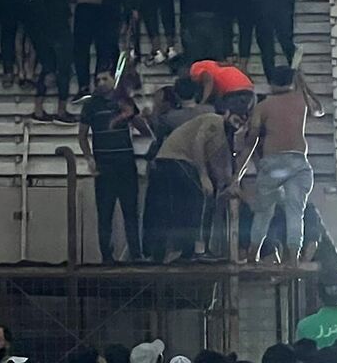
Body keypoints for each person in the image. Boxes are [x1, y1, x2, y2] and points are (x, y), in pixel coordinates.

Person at [236, 65, 312, 262]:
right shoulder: (301, 100)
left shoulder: (263, 106)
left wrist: (237, 175)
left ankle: (254, 254)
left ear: (270, 82)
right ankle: (294, 257)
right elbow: (319, 110)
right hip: (297, 160)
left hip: (272, 162)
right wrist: (303, 86)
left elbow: (251, 141)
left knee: (263, 212)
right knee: (295, 211)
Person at [143, 106, 235, 261]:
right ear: (227, 113)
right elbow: (198, 144)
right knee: (201, 198)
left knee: (177, 208)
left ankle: (178, 251)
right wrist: (203, 176)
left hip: (168, 161)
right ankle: (198, 250)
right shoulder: (214, 121)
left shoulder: (222, 135)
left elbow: (220, 165)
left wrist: (227, 184)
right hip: (177, 159)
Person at [79, 72, 144, 262]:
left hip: (125, 163)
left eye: (104, 79)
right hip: (104, 165)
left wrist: (133, 113)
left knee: (130, 211)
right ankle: (106, 257)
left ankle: (136, 255)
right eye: (97, 80)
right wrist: (89, 159)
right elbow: (82, 134)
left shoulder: (124, 100)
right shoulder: (91, 104)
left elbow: (141, 126)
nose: (100, 83)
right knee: (105, 213)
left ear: (113, 81)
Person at [39, 0, 75, 108]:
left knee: (48, 68)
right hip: (59, 26)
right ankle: (61, 109)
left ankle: (38, 108)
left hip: (47, 26)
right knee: (64, 69)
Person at [191, 58, 256, 116]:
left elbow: (208, 78)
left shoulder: (195, 68)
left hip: (233, 91)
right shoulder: (213, 66)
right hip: (248, 89)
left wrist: (203, 102)